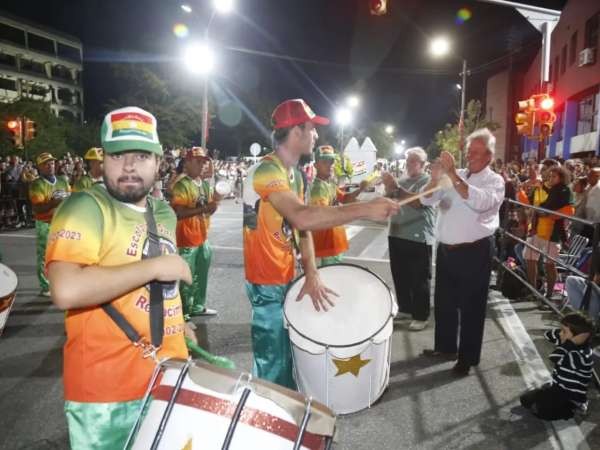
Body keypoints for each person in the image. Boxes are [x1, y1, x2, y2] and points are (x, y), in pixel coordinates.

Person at [46, 106, 194, 449]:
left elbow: (159, 284)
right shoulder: (84, 206)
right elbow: (66, 289)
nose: (129, 166)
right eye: (118, 155)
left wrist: (177, 319)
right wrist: (156, 268)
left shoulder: (163, 212)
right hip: (107, 394)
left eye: (141, 155)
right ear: (102, 160)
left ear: (158, 162)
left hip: (168, 375)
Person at [243, 98, 399, 388]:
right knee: (272, 363)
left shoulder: (297, 176)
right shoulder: (266, 170)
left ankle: (289, 415)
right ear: (297, 130)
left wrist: (312, 272)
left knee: (290, 357)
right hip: (265, 279)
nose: (316, 135)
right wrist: (365, 209)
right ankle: (274, 420)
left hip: (286, 273)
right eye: (312, 129)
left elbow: (303, 231)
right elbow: (302, 218)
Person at [420, 128, 505, 376]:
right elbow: (426, 200)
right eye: (468, 152)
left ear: (489, 156)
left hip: (474, 250)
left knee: (472, 306)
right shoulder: (457, 174)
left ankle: (467, 357)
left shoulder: (495, 181)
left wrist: (452, 175)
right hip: (447, 248)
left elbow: (480, 203)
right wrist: (435, 178)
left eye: (476, 153)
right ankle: (445, 347)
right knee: (444, 302)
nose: (470, 157)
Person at [382, 147, 436, 331]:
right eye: (408, 160)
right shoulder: (402, 180)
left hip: (418, 236)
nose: (409, 164)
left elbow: (419, 202)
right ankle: (405, 307)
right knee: (400, 275)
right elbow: (387, 201)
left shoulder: (428, 181)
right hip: (396, 234)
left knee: (419, 278)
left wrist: (396, 188)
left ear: (422, 164)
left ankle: (421, 315)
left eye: (413, 161)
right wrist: (388, 190)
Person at [171, 147, 218, 319]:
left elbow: (208, 210)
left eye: (204, 162)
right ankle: (184, 311)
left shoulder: (204, 184)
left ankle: (198, 305)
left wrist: (213, 206)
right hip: (186, 238)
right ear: (188, 162)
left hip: (203, 236)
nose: (202, 165)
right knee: (187, 276)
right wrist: (205, 208)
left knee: (201, 273)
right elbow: (179, 212)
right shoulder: (182, 185)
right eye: (198, 162)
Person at [520, 313, 593, 420]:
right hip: (558, 386)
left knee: (542, 413)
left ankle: (575, 408)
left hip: (570, 395)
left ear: (577, 337)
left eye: (564, 332)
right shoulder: (567, 344)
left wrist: (571, 342)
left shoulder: (579, 354)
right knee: (525, 400)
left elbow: (554, 357)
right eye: (561, 330)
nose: (560, 334)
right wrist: (567, 334)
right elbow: (548, 335)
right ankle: (549, 397)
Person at [309, 145, 368, 266]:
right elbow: (325, 216)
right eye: (325, 162)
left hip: (335, 242)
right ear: (315, 166)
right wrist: (359, 210)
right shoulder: (317, 188)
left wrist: (360, 189)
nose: (330, 165)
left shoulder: (329, 184)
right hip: (327, 245)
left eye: (331, 161)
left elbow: (345, 198)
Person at [520, 166, 574, 300]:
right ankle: (532, 290)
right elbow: (531, 203)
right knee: (529, 258)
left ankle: (548, 295)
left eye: (554, 176)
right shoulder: (542, 188)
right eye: (550, 176)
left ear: (561, 177)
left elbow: (569, 209)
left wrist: (550, 215)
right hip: (537, 229)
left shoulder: (565, 190)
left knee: (550, 264)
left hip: (553, 232)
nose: (551, 178)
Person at [29, 152, 71, 296]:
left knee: (64, 255)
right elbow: (37, 207)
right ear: (40, 167)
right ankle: (45, 286)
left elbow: (70, 198)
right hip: (45, 223)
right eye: (46, 164)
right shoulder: (37, 184)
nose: (50, 165)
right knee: (44, 256)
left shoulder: (63, 181)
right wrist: (54, 202)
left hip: (62, 223)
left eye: (52, 162)